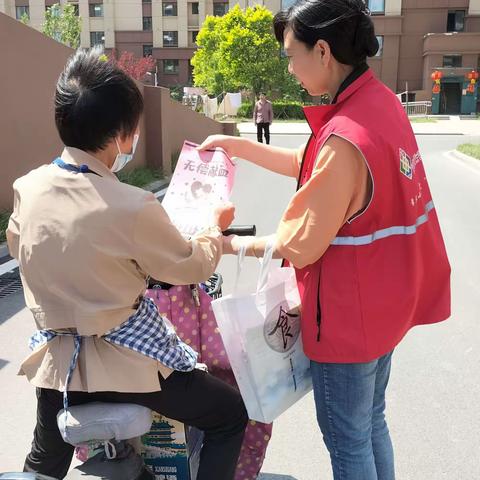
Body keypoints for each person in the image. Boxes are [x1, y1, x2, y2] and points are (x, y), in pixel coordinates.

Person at [198, 1, 451, 479]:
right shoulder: (379, 105)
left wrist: (225, 244)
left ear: (323, 50)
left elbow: (298, 245)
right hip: (383, 308)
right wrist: (239, 147)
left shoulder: (343, 138)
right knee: (370, 424)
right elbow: (309, 162)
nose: (290, 68)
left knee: (348, 441)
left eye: (292, 55)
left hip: (347, 321)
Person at [6, 48, 248, 480]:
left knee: (43, 462)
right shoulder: (132, 204)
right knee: (230, 413)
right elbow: (190, 267)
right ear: (122, 134)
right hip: (129, 363)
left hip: (59, 363)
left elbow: (26, 247)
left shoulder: (28, 188)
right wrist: (214, 228)